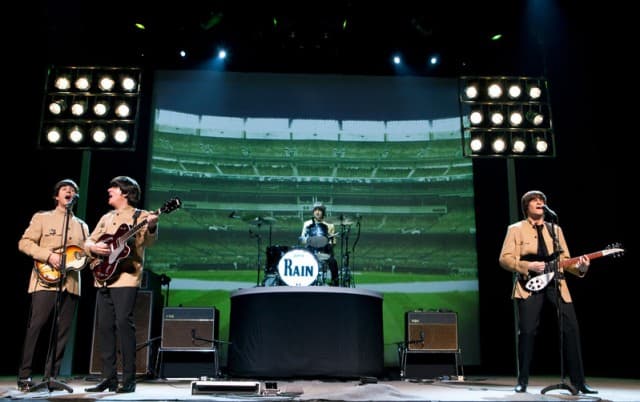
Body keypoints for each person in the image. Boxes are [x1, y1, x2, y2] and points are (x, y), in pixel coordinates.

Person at [499, 190, 597, 394]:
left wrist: (581, 267)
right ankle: (522, 381)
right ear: (526, 206)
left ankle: (579, 382)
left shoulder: (556, 229)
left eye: (542, 200)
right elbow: (505, 259)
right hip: (529, 285)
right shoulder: (515, 229)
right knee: (527, 332)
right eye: (534, 201)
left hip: (557, 284)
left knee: (571, 330)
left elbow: (567, 261)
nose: (539, 203)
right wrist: (528, 265)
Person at [84, 176, 158, 394]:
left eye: (113, 187)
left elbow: (148, 242)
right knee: (105, 327)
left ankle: (128, 379)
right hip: (103, 277)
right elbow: (88, 240)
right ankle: (107, 377)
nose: (109, 190)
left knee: (123, 324)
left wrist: (152, 226)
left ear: (125, 193)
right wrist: (95, 248)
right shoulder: (106, 217)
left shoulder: (141, 216)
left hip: (126, 277)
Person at [17, 179, 90, 392]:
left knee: (62, 331)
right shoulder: (42, 218)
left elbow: (85, 255)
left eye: (73, 190)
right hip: (44, 281)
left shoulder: (82, 225)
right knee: (37, 327)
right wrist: (49, 256)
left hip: (71, 284)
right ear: (56, 196)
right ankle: (25, 375)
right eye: (64, 189)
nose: (69, 191)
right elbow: (24, 243)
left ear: (76, 197)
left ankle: (52, 375)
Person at [300, 202, 339, 286]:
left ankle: (335, 282)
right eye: (315, 210)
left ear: (323, 212)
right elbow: (302, 239)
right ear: (313, 212)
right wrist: (308, 240)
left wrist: (327, 241)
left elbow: (333, 242)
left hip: (325, 251)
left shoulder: (330, 224)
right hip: (311, 250)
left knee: (333, 261)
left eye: (320, 210)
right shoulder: (307, 224)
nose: (317, 212)